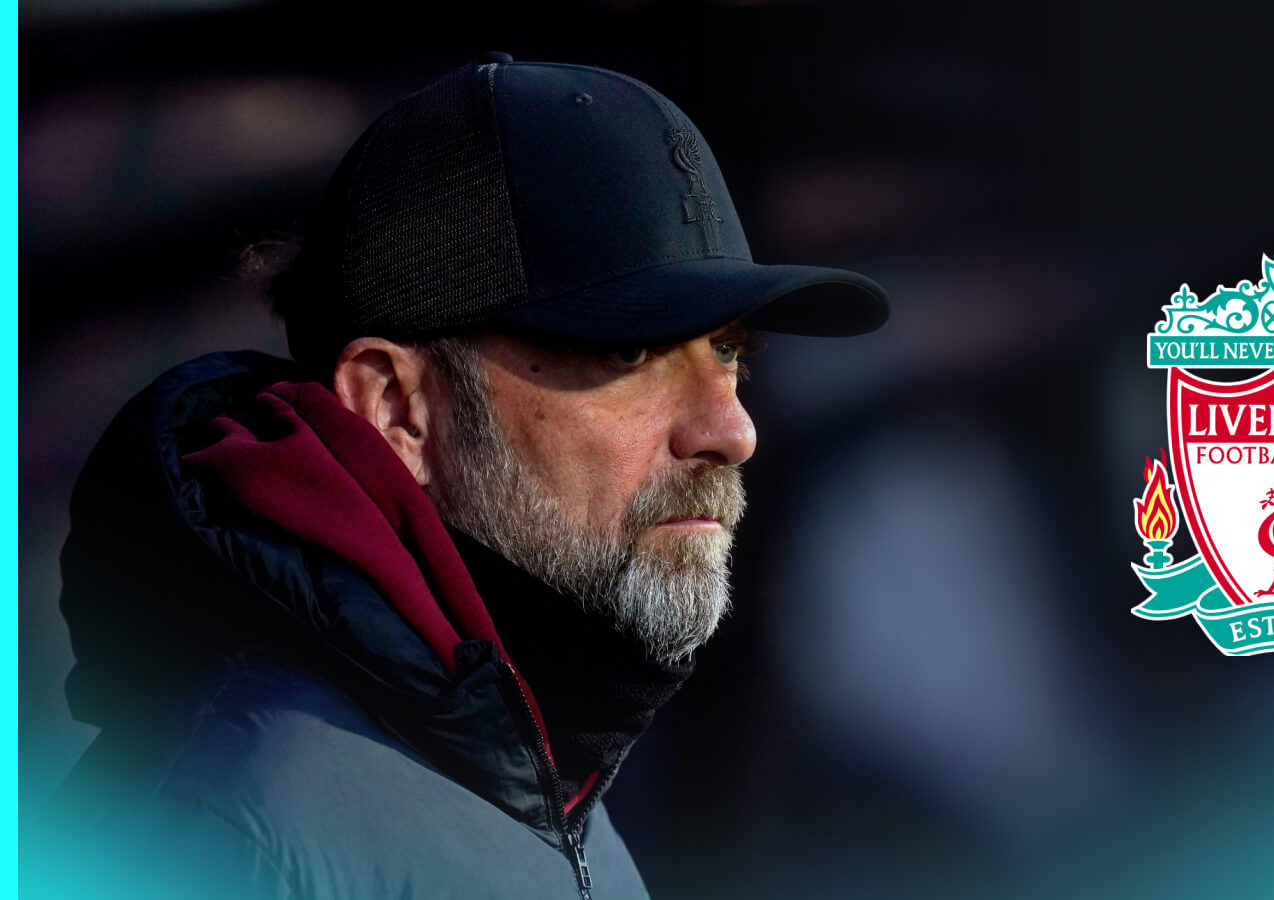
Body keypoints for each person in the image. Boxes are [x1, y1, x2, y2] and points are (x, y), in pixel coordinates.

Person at [30, 55, 887, 899]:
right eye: (632, 350)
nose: (731, 430)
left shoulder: (546, 780)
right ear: (399, 408)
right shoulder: (221, 827)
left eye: (729, 351)